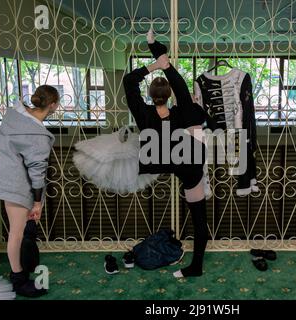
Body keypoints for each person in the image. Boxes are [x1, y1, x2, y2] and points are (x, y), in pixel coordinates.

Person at [123, 30, 208, 278]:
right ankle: (196, 266)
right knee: (199, 216)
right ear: (170, 95)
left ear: (150, 96)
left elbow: (129, 81)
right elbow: (179, 83)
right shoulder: (182, 110)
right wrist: (165, 65)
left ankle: (193, 265)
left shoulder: (143, 113)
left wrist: (153, 66)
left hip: (157, 159)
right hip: (187, 162)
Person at [0, 85, 59, 297]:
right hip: (13, 180)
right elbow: (37, 172)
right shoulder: (36, 134)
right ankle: (18, 279)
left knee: (23, 227)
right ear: (53, 105)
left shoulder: (17, 115)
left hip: (0, 172)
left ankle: (25, 263)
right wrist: (37, 202)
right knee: (16, 232)